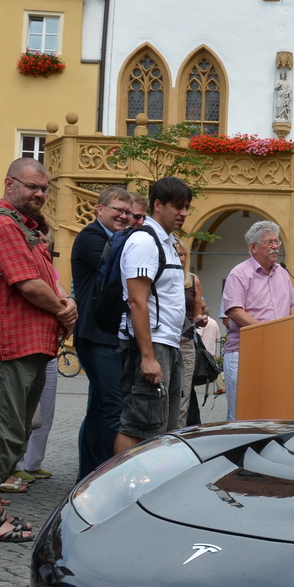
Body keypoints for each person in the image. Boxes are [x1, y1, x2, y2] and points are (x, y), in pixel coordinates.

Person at [0, 158, 74, 541]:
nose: (39, 194)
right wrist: (65, 308)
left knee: (17, 428)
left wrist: (65, 301)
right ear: (10, 184)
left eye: (44, 189)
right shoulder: (1, 225)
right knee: (2, 427)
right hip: (10, 343)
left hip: (31, 343)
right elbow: (28, 285)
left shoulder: (28, 231)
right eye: (32, 187)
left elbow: (48, 280)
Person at [115, 177, 193, 449]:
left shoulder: (168, 242)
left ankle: (151, 487)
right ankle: (122, 488)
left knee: (162, 428)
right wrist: (147, 356)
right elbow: (137, 301)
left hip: (168, 343)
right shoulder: (145, 242)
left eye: (186, 207)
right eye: (177, 207)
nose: (183, 213)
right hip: (151, 345)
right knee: (138, 424)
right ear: (157, 205)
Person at [70, 186, 135, 477]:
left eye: (127, 212)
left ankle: (89, 473)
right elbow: (118, 269)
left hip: (108, 335)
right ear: (99, 210)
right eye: (117, 210)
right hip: (96, 335)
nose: (123, 216)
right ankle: (102, 474)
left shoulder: (116, 238)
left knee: (100, 407)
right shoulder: (91, 237)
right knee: (111, 406)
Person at [221, 220, 294, 421]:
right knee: (242, 413)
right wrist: (267, 329)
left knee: (272, 411)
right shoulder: (239, 273)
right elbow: (234, 310)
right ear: (253, 247)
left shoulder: (282, 272)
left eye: (277, 241)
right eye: (269, 242)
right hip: (244, 351)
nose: (275, 246)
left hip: (277, 351)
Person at [174, 240, 209, 430]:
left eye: (182, 254)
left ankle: (176, 437)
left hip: (185, 341)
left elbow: (196, 311)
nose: (179, 259)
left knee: (183, 395)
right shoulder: (159, 277)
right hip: (163, 340)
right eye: (176, 254)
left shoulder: (192, 280)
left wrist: (200, 318)